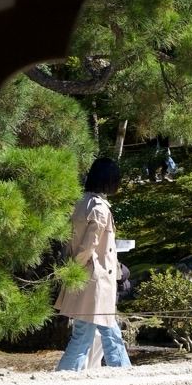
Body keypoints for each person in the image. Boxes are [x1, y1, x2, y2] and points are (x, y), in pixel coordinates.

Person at [54, 156, 131, 371]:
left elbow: (71, 241)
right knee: (100, 331)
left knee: (91, 332)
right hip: (96, 278)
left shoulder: (80, 203)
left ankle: (67, 375)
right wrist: (77, 267)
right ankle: (122, 371)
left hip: (83, 276)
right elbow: (90, 246)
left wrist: (71, 270)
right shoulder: (100, 208)